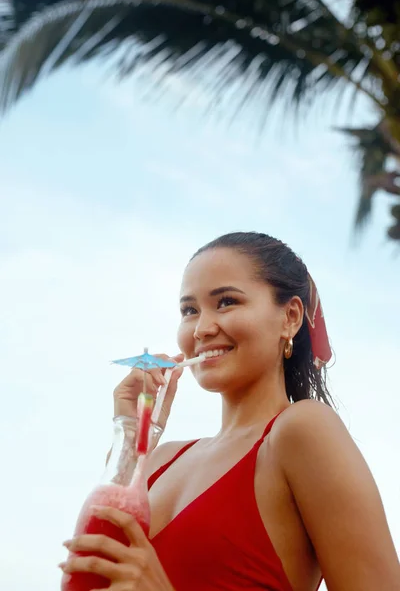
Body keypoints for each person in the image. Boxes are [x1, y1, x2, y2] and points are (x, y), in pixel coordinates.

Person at [59, 232, 400, 590]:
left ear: (291, 317)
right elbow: (86, 578)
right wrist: (130, 432)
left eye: (226, 302)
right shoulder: (160, 460)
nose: (203, 329)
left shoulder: (301, 429)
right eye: (189, 310)